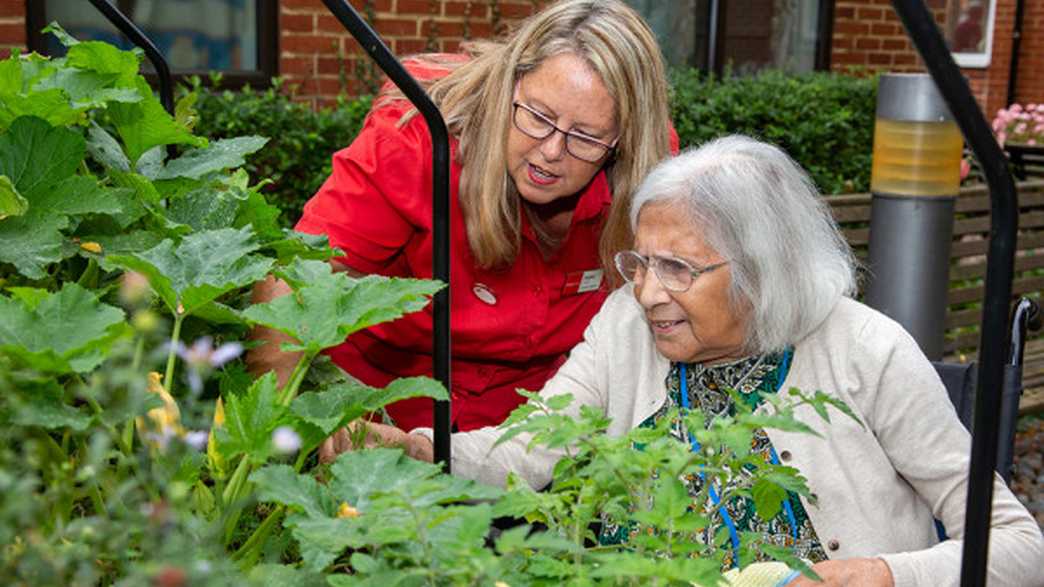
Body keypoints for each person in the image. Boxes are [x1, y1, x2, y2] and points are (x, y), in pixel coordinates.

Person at [334, 136, 1044, 586]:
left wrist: (889, 575)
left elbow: (1017, 546)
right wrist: (419, 447)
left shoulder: (869, 351)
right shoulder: (625, 325)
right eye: (640, 261)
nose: (645, 291)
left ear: (762, 271)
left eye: (677, 267)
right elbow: (529, 448)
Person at [247, 0, 677, 433]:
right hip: (382, 410)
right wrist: (281, 436)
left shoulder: (647, 173)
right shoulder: (418, 138)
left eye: (585, 136)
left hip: (536, 428)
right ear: (510, 85)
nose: (550, 151)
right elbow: (295, 282)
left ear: (624, 140)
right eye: (538, 116)